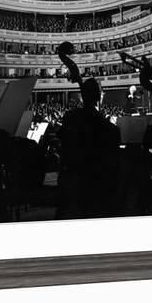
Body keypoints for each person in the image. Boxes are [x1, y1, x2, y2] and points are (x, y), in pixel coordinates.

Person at [56, 78, 121, 219]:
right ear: (100, 96)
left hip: (69, 187)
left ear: (82, 96)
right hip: (95, 190)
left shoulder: (69, 117)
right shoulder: (110, 129)